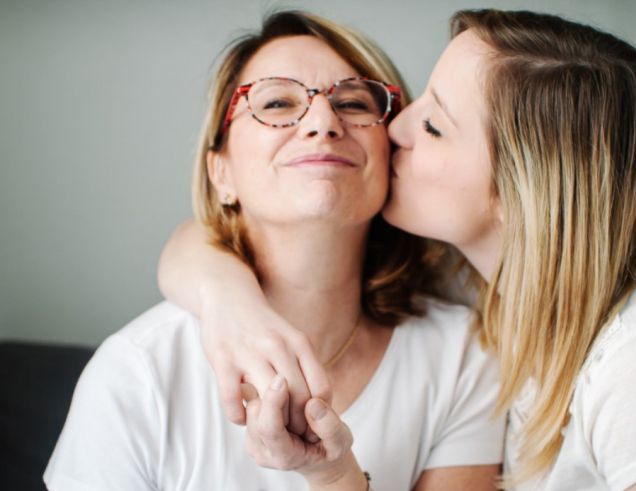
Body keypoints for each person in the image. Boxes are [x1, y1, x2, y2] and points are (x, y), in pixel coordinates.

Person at [158, 8, 636, 490]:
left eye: (432, 125)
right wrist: (231, 307)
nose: (394, 127)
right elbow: (194, 244)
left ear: (518, 192)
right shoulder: (488, 287)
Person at [43, 10, 505, 491]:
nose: (323, 121)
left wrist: (334, 478)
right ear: (220, 173)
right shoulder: (137, 372)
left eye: (351, 103)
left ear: (392, 154)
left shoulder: (462, 358)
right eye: (279, 102)